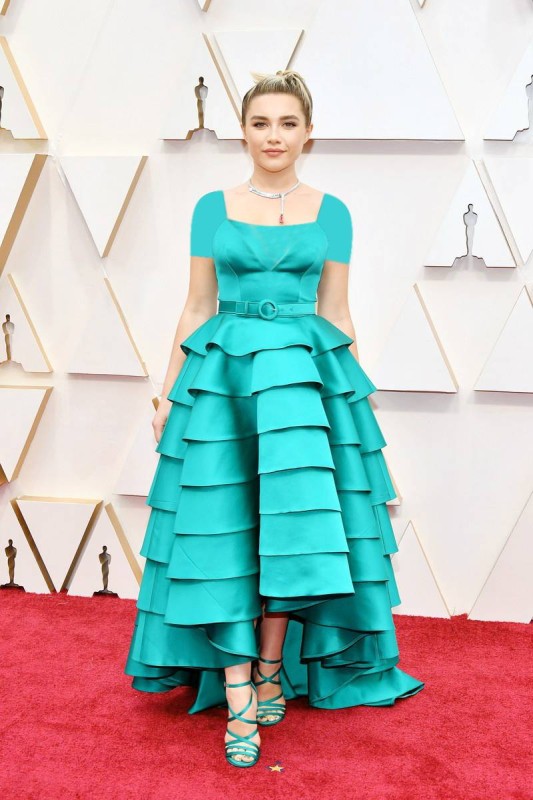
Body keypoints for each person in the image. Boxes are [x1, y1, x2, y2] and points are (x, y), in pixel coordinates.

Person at [124, 69, 425, 768]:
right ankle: (238, 691)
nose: (274, 136)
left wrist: (352, 400)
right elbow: (197, 305)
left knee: (291, 531)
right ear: (243, 131)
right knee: (223, 527)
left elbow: (337, 311)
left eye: (287, 123)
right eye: (261, 123)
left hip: (301, 385)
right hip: (225, 383)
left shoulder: (332, 212)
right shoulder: (212, 207)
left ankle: (268, 667)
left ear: (307, 132)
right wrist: (170, 393)